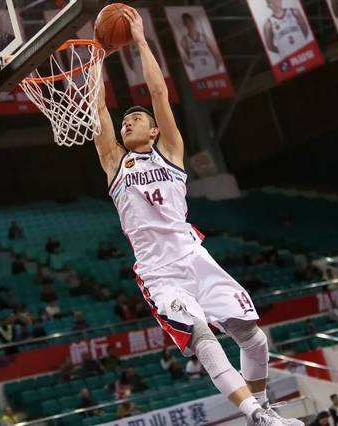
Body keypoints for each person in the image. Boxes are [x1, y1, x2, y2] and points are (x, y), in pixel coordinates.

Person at [93, 9, 299, 426]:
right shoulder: (115, 163)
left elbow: (157, 91)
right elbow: (98, 111)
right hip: (160, 272)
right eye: (124, 119)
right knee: (202, 338)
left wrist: (139, 40)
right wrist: (96, 59)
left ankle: (266, 408)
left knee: (254, 338)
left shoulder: (170, 152)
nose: (127, 120)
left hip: (195, 257)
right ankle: (256, 414)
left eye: (137, 119)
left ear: (153, 132)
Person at [178, 12, 223, 80]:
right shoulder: (184, 40)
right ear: (184, 24)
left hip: (211, 67)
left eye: (189, 21)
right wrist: (191, 64)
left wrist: (217, 65)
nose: (189, 24)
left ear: (193, 21)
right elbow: (183, 56)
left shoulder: (204, 37)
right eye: (186, 22)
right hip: (199, 71)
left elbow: (216, 53)